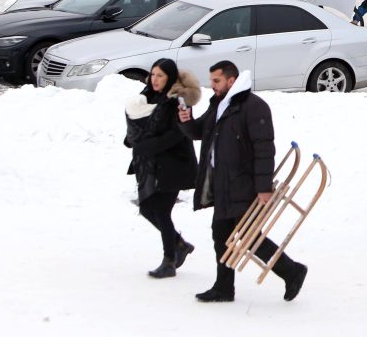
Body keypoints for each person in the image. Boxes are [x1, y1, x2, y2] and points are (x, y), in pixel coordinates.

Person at [177, 61, 308, 304]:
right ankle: (223, 288)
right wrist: (186, 120)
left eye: (216, 81)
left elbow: (264, 149)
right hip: (223, 185)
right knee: (221, 235)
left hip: (243, 185)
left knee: (248, 237)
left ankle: (292, 271)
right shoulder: (219, 104)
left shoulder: (254, 107)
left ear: (231, 80)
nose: (212, 85)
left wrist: (263, 188)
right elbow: (199, 132)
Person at [124, 58, 200, 278]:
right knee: (147, 208)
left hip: (174, 164)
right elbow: (140, 121)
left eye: (160, 76)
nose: (155, 80)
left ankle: (169, 260)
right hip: (152, 164)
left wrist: (146, 146)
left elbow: (178, 134)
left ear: (170, 78)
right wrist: (131, 137)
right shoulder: (147, 95)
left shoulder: (178, 101)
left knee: (162, 211)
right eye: (153, 74)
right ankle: (180, 245)